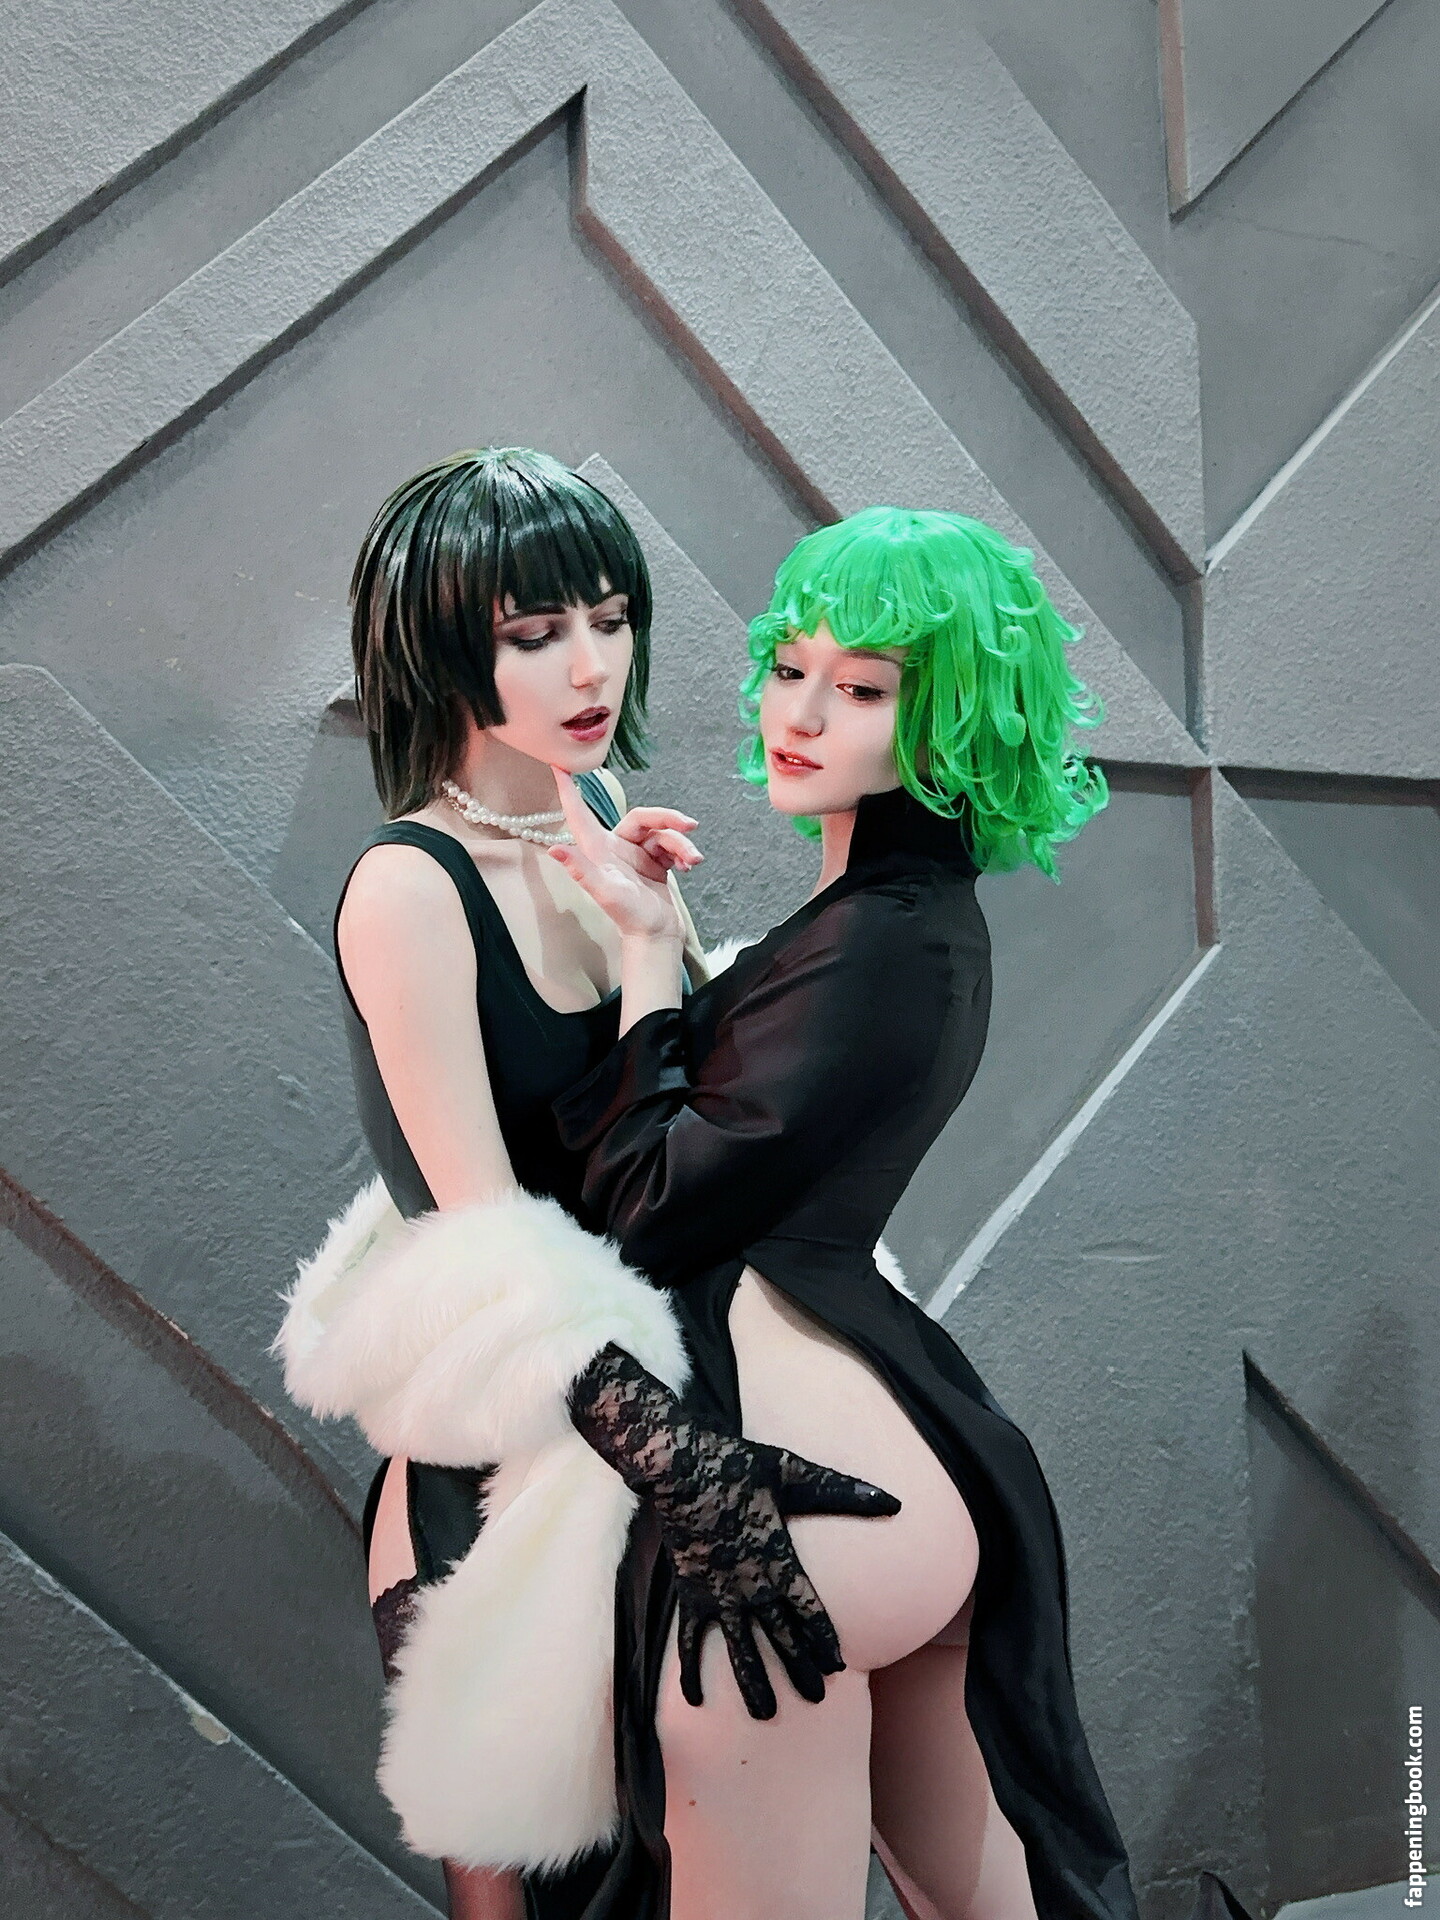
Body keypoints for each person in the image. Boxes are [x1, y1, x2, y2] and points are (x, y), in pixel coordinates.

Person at [273, 448, 899, 1920]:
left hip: (665, 1411)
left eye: (610, 619)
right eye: (535, 632)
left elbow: (671, 1140)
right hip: (510, 1474)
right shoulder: (407, 887)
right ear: (441, 648)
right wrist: (687, 1468)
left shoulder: (599, 806)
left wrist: (650, 941)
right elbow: (490, 1246)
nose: (590, 665)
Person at [535, 505, 1139, 1920]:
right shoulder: (885, 921)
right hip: (885, 1470)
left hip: (795, 1507)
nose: (800, 714)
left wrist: (642, 960)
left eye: (863, 689)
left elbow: (649, 1207)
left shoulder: (880, 942)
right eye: (789, 668)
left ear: (956, 718)